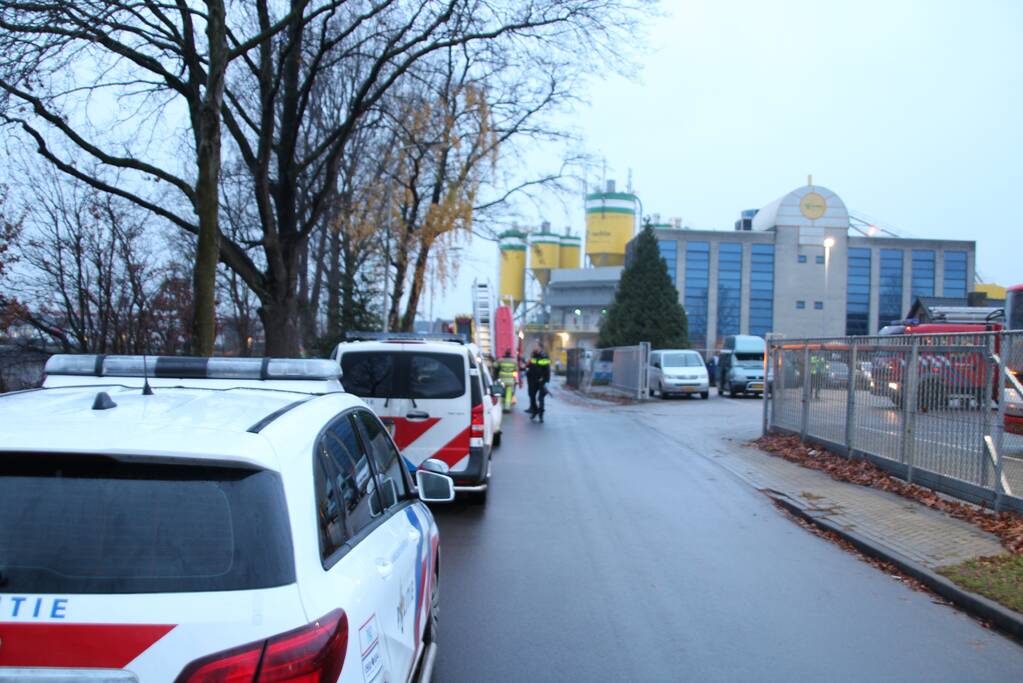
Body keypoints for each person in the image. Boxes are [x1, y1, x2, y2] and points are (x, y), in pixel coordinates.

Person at [526, 345, 551, 422]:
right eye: (535, 347)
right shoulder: (533, 356)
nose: (535, 348)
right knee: (532, 397)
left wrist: (546, 380)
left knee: (541, 399)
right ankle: (534, 411)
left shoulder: (544, 356)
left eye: (537, 347)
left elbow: (547, 369)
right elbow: (529, 368)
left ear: (541, 348)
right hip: (532, 380)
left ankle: (541, 415)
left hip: (541, 380)